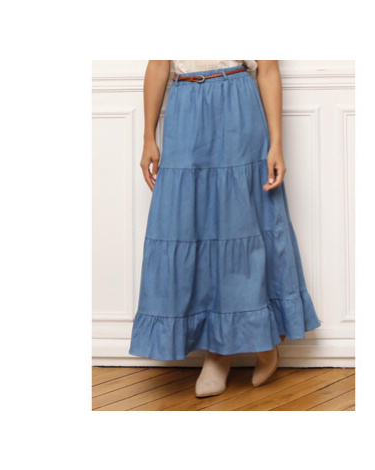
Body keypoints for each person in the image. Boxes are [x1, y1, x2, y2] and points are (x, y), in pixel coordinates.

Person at [129, 60, 321, 398]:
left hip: (238, 105)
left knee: (239, 228)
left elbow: (267, 70)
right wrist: (148, 137)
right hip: (185, 108)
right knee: (188, 227)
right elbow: (158, 65)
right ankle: (225, 350)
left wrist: (276, 144)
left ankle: (231, 350)